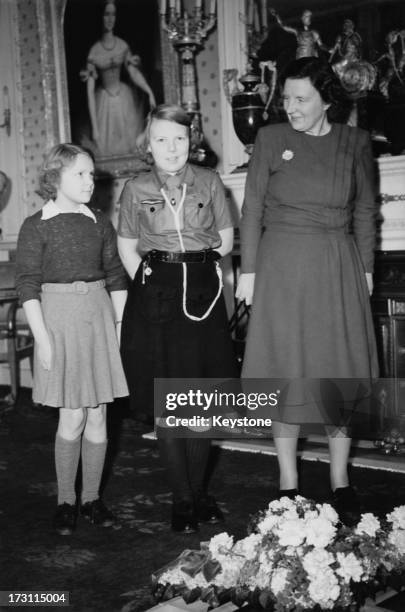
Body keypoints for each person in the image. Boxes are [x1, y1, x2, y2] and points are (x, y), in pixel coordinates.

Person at [236, 57, 379, 526]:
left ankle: (341, 480)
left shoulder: (355, 143)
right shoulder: (271, 139)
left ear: (326, 100)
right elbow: (252, 206)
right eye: (286, 99)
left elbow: (365, 212)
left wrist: (367, 270)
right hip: (280, 267)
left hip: (337, 263)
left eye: (301, 100)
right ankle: (287, 483)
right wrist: (250, 272)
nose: (290, 108)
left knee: (339, 370)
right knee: (286, 371)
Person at [117, 104, 238, 534]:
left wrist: (198, 273)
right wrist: (153, 287)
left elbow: (224, 240)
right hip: (158, 295)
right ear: (148, 145)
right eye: (162, 140)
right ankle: (182, 498)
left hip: (203, 290)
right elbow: (127, 246)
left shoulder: (209, 181)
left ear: (193, 141)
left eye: (180, 139)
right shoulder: (135, 188)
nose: (172, 148)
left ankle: (201, 492)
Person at [15, 143, 128, 535]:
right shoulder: (37, 224)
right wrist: (42, 339)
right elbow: (28, 286)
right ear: (55, 177)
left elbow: (115, 275)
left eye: (91, 174)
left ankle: (93, 499)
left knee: (98, 412)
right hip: (58, 321)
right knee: (72, 415)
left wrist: (118, 326)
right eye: (80, 173)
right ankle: (66, 501)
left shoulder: (99, 221)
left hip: (98, 316)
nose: (88, 181)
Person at [80, 0, 156, 157]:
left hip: (124, 99)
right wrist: (95, 127)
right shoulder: (95, 50)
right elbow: (89, 90)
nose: (110, 19)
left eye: (113, 14)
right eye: (106, 14)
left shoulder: (122, 45)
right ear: (100, 17)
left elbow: (133, 73)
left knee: (130, 147)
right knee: (106, 149)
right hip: (104, 103)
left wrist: (149, 91)